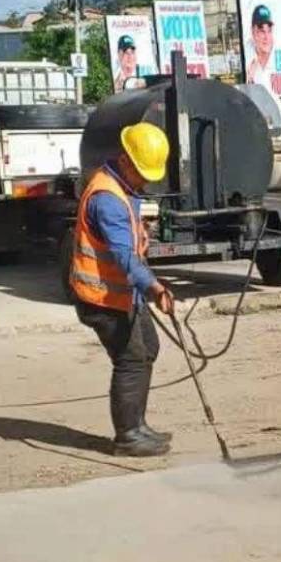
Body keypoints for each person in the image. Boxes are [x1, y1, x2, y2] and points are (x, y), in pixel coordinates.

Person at [71, 122, 176, 457]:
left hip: (122, 294)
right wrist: (155, 288)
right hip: (102, 298)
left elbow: (128, 242)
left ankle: (138, 425)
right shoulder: (108, 200)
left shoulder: (122, 188)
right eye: (142, 172)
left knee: (148, 348)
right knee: (130, 358)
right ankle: (128, 436)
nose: (145, 180)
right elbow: (122, 257)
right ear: (125, 160)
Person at [245, 4, 275, 87]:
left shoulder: (277, 55)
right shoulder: (247, 58)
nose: (266, 37)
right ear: (253, 32)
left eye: (269, 31)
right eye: (261, 31)